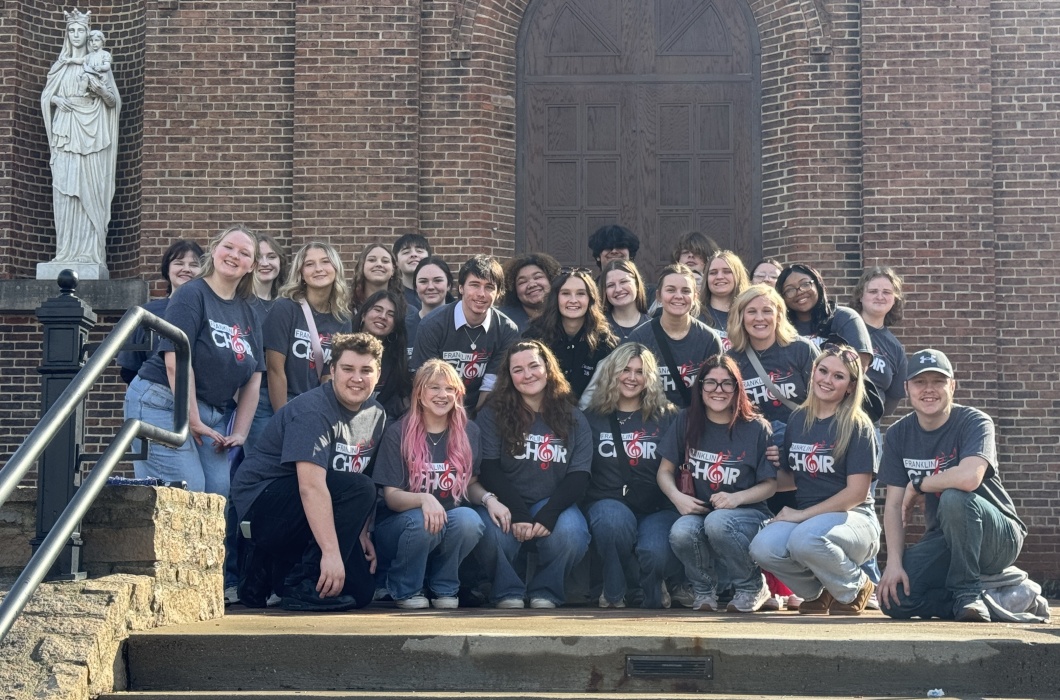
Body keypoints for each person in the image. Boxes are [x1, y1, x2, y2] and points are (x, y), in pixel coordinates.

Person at [230, 333, 388, 612]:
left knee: (361, 591)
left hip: (309, 507)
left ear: (378, 374)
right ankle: (302, 583)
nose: (357, 378)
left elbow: (360, 475)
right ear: (332, 371)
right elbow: (311, 487)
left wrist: (358, 532)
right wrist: (330, 553)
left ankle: (273, 568)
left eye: (366, 370)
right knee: (358, 488)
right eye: (348, 369)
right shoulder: (312, 411)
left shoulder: (377, 414)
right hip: (262, 506)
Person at [877, 350, 1026, 622]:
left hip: (998, 537)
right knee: (894, 598)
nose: (929, 390)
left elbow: (969, 478)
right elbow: (894, 505)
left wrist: (919, 484)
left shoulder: (974, 422)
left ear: (952, 386)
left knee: (955, 496)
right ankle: (994, 598)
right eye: (920, 382)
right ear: (907, 388)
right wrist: (893, 563)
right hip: (946, 538)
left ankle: (969, 593)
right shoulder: (899, 434)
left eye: (938, 381)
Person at [124, 225, 263, 495]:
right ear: (214, 251)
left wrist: (242, 432)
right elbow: (176, 361)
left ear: (252, 265)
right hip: (162, 402)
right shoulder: (192, 294)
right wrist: (192, 418)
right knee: (188, 492)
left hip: (213, 415)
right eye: (229, 247)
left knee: (217, 494)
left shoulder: (249, 311)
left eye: (244, 253)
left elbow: (255, 376)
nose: (235, 255)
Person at [748, 343, 880, 616]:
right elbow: (795, 479)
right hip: (811, 522)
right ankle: (821, 592)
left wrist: (800, 515)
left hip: (854, 519)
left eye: (838, 376)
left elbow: (856, 493)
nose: (827, 380)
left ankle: (856, 586)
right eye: (823, 371)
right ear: (813, 373)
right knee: (762, 547)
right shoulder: (798, 419)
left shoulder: (857, 424)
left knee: (804, 539)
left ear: (851, 386)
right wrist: (765, 469)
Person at [473, 340, 593, 608]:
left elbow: (579, 475)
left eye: (534, 366)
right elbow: (489, 468)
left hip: (552, 500)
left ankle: (547, 590)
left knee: (572, 533)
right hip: (505, 500)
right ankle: (507, 591)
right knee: (492, 534)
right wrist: (518, 512)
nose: (527, 375)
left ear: (548, 369)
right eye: (518, 369)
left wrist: (550, 513)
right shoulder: (492, 414)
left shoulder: (573, 416)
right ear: (509, 376)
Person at [372, 360, 500, 609]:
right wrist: (423, 499)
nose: (443, 395)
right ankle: (405, 588)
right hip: (400, 525)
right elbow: (391, 497)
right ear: (419, 394)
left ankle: (444, 587)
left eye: (450, 389)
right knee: (421, 522)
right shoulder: (398, 432)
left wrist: (488, 499)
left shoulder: (469, 433)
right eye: (434, 388)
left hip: (446, 522)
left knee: (469, 519)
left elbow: (470, 483)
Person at [659, 355, 776, 612]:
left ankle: (751, 586)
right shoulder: (686, 420)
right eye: (710, 383)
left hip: (749, 514)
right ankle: (703, 590)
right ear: (700, 388)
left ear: (737, 388)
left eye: (726, 383)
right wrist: (677, 497)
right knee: (681, 531)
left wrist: (736, 499)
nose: (718, 390)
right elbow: (664, 472)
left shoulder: (756, 428)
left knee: (718, 521)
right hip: (702, 510)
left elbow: (770, 485)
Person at [583, 343, 679, 609]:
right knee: (613, 523)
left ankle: (649, 588)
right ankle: (613, 591)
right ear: (612, 372)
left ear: (649, 378)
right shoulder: (591, 418)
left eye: (640, 372)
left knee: (655, 551)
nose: (632, 378)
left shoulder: (668, 416)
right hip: (607, 501)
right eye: (625, 370)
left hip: (656, 507)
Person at [41, 9, 121, 267]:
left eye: (80, 30)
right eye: (71, 30)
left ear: (88, 34)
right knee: (65, 189)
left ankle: (90, 252)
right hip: (65, 131)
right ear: (67, 35)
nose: (76, 35)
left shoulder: (97, 64)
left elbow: (113, 101)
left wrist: (99, 89)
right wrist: (56, 99)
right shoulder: (61, 66)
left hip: (94, 132)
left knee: (91, 186)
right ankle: (65, 251)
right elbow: (46, 97)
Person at [256, 242, 353, 450]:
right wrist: (283, 418)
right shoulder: (285, 307)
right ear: (301, 273)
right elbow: (274, 368)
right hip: (271, 404)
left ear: (336, 268)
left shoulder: (343, 319)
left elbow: (329, 375)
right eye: (310, 264)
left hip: (310, 405)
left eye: (325, 262)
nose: (318, 268)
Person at [409, 255, 520, 412]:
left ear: (498, 293)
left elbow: (490, 384)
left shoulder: (507, 330)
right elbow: (424, 382)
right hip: (434, 407)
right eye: (474, 285)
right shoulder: (432, 324)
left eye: (489, 287)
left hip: (481, 409)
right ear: (461, 288)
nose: (481, 293)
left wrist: (471, 420)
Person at [777, 263, 883, 422]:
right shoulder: (781, 328)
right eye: (790, 289)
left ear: (817, 283)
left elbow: (860, 364)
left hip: (844, 415)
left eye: (805, 284)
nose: (799, 292)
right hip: (799, 415)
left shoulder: (844, 318)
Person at [628, 264, 723, 408]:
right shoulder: (639, 338)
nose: (678, 296)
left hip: (694, 423)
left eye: (686, 291)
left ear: (695, 296)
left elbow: (717, 390)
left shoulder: (709, 339)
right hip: (652, 422)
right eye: (671, 290)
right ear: (659, 296)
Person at [117, 239, 204, 384]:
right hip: (154, 400)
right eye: (179, 263)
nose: (186, 269)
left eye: (194, 265)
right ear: (167, 269)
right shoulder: (146, 314)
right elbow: (129, 369)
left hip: (203, 400)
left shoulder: (211, 312)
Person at [523, 269, 617, 400]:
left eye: (580, 294)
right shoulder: (534, 336)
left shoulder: (604, 342)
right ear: (555, 298)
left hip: (588, 415)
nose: (573, 300)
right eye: (566, 293)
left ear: (590, 299)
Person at [852, 266, 908, 418]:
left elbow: (893, 398)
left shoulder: (895, 348)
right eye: (873, 291)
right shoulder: (843, 326)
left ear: (894, 299)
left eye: (886, 292)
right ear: (860, 296)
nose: (880, 296)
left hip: (868, 426)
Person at [356, 289, 411, 418]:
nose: (383, 316)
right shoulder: (344, 348)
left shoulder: (396, 359)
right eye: (377, 309)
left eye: (391, 314)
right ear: (363, 315)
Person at [405, 255, 454, 358]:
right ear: (415, 287)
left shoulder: (461, 325)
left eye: (438, 280)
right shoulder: (403, 327)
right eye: (423, 281)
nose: (430, 287)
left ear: (448, 285)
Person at [499, 253, 561, 332]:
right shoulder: (503, 321)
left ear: (551, 280)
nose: (532, 285)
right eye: (522, 282)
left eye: (537, 277)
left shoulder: (565, 315)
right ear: (514, 290)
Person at [701, 250, 750, 349]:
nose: (719, 277)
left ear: (738, 276)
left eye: (727, 271)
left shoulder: (750, 313)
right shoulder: (695, 315)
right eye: (713, 273)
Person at [600, 259, 651, 341]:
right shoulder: (598, 328)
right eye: (611, 285)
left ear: (637, 284)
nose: (618, 289)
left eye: (623, 282)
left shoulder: (653, 327)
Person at [350, 242, 400, 312]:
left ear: (393, 270)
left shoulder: (406, 311)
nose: (379, 264)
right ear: (362, 267)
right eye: (372, 260)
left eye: (385, 261)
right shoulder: (346, 309)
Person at [249, 233, 287, 323]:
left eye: (271, 257)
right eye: (257, 257)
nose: (265, 263)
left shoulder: (286, 304)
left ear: (280, 262)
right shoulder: (238, 301)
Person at [392, 232, 432, 311]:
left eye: (419, 251)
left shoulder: (443, 294)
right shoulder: (391, 296)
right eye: (406, 252)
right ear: (396, 262)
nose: (413, 255)